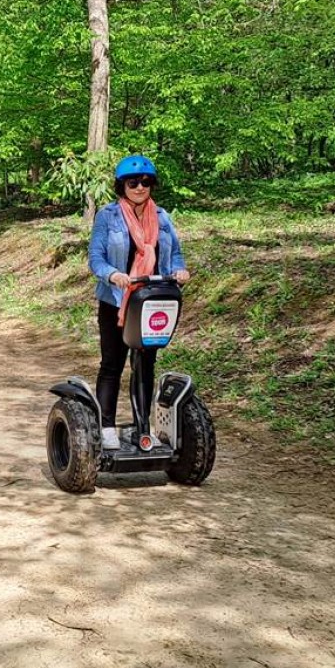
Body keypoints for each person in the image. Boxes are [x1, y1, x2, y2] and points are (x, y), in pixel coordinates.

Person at [88, 155, 190, 451]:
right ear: (122, 185)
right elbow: (95, 258)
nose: (140, 187)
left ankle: (142, 427)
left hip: (151, 300)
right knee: (112, 363)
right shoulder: (108, 216)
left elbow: (175, 254)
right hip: (117, 300)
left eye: (146, 181)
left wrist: (180, 271)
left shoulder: (162, 216)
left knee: (145, 364)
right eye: (133, 182)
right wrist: (113, 274)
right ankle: (107, 426)